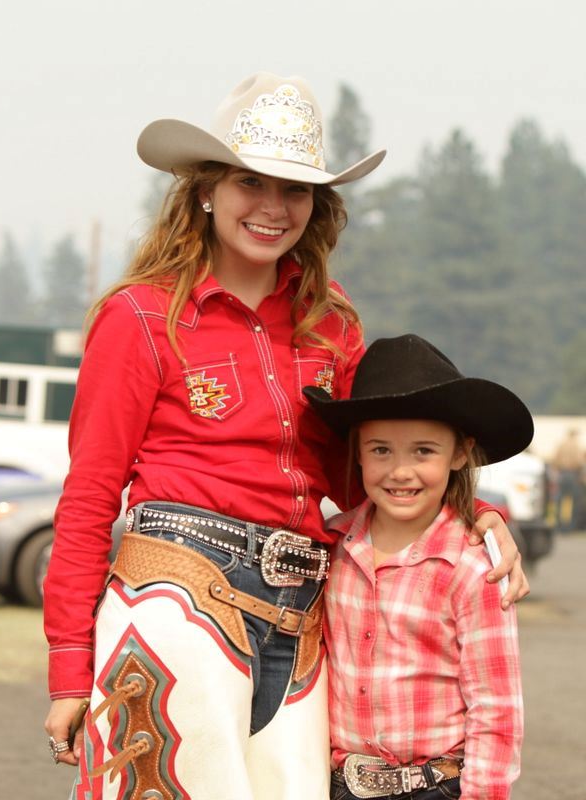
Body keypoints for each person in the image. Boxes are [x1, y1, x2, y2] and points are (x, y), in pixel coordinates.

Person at [43, 73, 527, 800]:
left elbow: (364, 472)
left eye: (295, 190)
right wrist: (69, 665)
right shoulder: (140, 317)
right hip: (175, 596)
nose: (273, 208)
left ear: (317, 206)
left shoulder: (333, 323)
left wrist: (477, 513)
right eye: (249, 182)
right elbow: (88, 496)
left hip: (304, 615)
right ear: (205, 189)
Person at [304, 334, 532, 800]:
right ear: (358, 451)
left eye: (423, 451)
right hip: (338, 785)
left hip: (436, 786)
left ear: (460, 453)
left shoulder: (473, 569)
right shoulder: (331, 547)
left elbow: (496, 707)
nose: (400, 471)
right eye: (381, 450)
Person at [551, 427, 585, 532]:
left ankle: (559, 525)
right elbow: (580, 462)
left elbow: (555, 459)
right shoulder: (576, 446)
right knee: (574, 500)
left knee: (560, 500)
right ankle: (570, 527)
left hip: (562, 474)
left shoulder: (561, 445)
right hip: (572, 474)